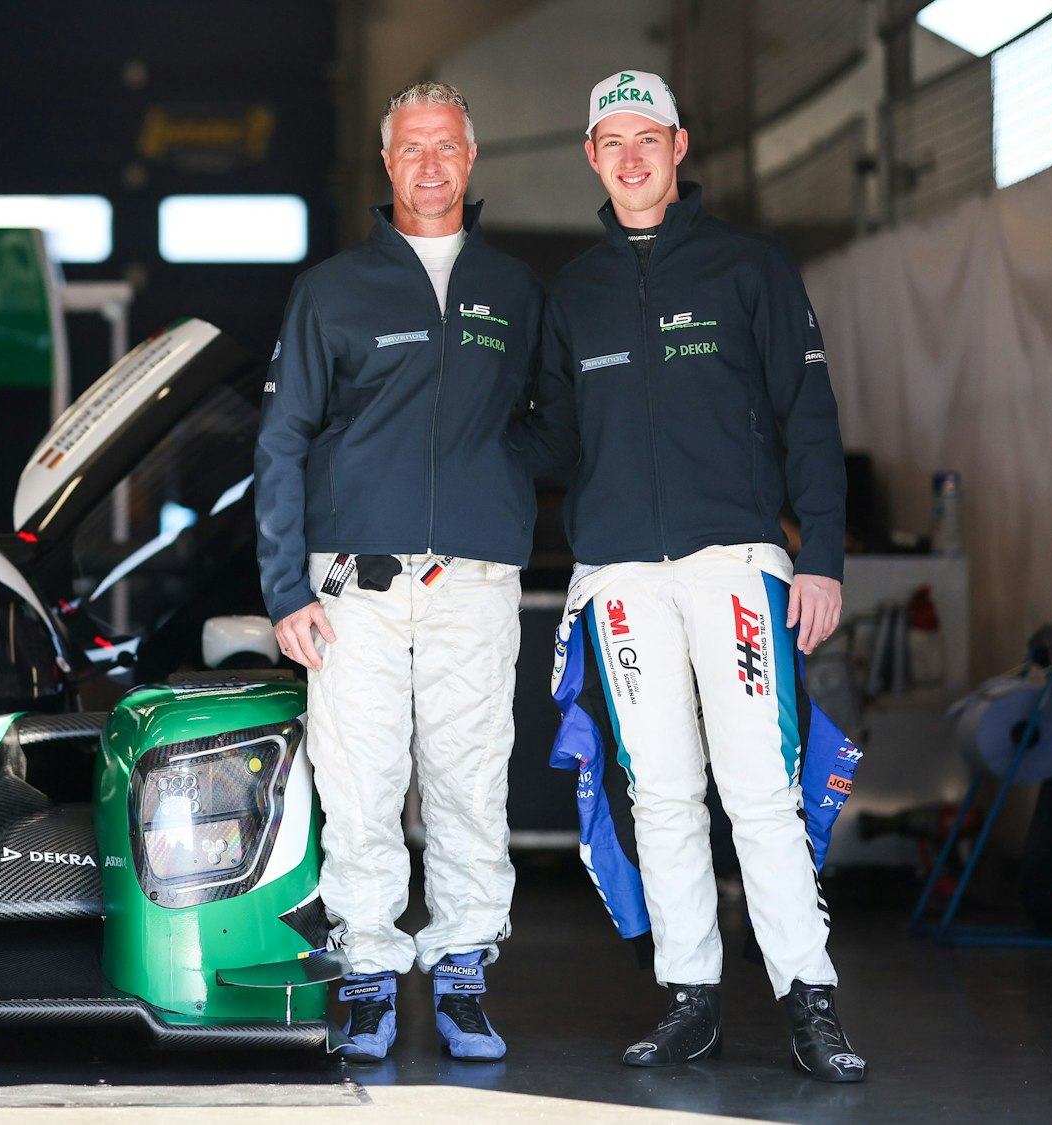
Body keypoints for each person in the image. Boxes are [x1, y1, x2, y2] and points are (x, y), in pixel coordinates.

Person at [524, 70, 862, 1082]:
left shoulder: (747, 267)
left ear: (677, 148)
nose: (629, 156)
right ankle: (690, 996)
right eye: (609, 141)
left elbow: (810, 418)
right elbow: (541, 446)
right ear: (589, 157)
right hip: (619, 576)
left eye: (647, 138)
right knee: (660, 791)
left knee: (757, 789)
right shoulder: (570, 295)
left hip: (735, 565)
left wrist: (824, 560)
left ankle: (809, 997)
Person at [254, 81, 544, 1063]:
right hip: (350, 587)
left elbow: (549, 426)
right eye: (410, 149)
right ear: (387, 164)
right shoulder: (331, 289)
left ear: (470, 158)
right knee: (361, 785)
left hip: (471, 582)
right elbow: (281, 437)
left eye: (446, 147)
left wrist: (491, 486)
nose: (429, 165)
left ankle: (462, 970)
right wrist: (283, 587)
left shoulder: (511, 289)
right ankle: (369, 971)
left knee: (468, 787)